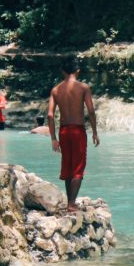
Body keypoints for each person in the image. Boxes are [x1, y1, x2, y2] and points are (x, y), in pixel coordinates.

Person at [47, 56, 100, 211]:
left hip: (63, 131)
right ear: (78, 70)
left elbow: (50, 115)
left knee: (67, 164)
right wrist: (95, 132)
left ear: (62, 71)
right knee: (78, 167)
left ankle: (70, 202)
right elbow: (90, 111)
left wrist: (53, 138)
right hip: (78, 130)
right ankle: (71, 203)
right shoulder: (83, 88)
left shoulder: (56, 90)